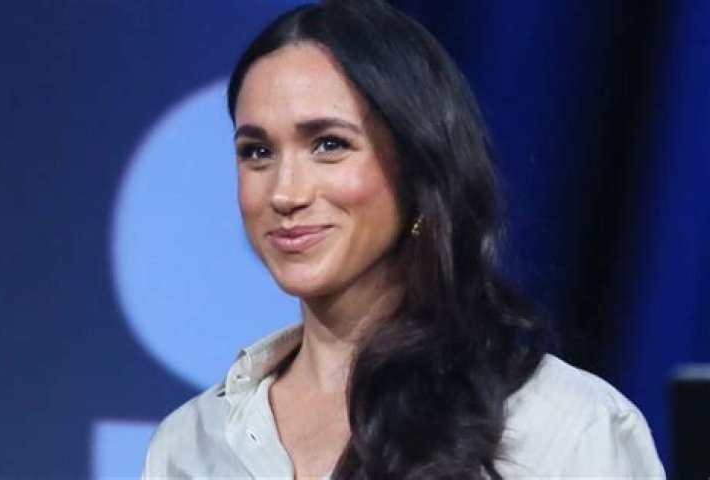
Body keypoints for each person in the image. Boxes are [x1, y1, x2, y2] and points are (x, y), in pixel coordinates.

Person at [142, 0, 665, 478]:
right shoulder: (191, 443)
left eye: (329, 144)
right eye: (257, 152)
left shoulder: (561, 427)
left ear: (420, 167)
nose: (285, 192)